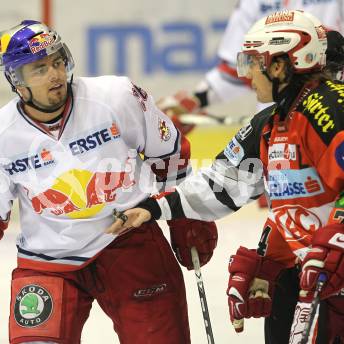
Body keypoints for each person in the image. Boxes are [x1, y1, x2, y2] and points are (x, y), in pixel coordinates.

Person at [0, 20, 218, 343]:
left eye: (57, 60)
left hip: (131, 245)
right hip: (47, 262)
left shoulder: (116, 96)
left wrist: (188, 213)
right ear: (17, 82)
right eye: (39, 69)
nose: (54, 74)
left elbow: (169, 154)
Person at [107, 10, 344, 344]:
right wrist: (154, 207)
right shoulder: (271, 123)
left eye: (252, 63)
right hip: (317, 276)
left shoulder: (330, 109)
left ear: (278, 66)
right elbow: (223, 185)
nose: (247, 75)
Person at [158, 0, 343, 127]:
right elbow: (236, 69)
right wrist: (195, 99)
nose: (248, 74)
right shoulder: (251, 2)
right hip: (274, 124)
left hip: (331, 111)